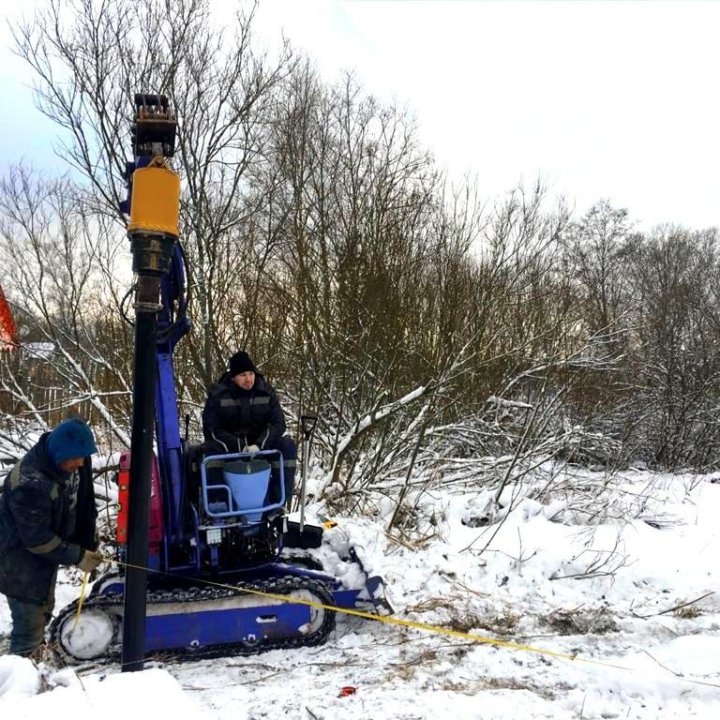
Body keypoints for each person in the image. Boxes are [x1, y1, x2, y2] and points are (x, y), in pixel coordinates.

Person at [0, 417, 103, 658]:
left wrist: (86, 539)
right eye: (75, 459)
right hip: (17, 559)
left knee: (44, 608)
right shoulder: (29, 484)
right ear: (59, 453)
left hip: (45, 552)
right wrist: (77, 556)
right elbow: (38, 540)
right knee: (29, 619)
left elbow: (84, 501)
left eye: (83, 457)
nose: (80, 463)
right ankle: (20, 677)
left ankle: (34, 657)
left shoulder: (76, 460)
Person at [202, 351, 297, 504]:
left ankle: (277, 502)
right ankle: (220, 504)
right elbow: (211, 429)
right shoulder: (218, 395)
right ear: (233, 377)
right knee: (208, 453)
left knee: (287, 446)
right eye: (243, 375)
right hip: (229, 448)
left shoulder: (265, 392)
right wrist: (238, 446)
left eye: (251, 373)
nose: (248, 379)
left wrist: (259, 445)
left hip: (260, 446)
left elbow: (278, 423)